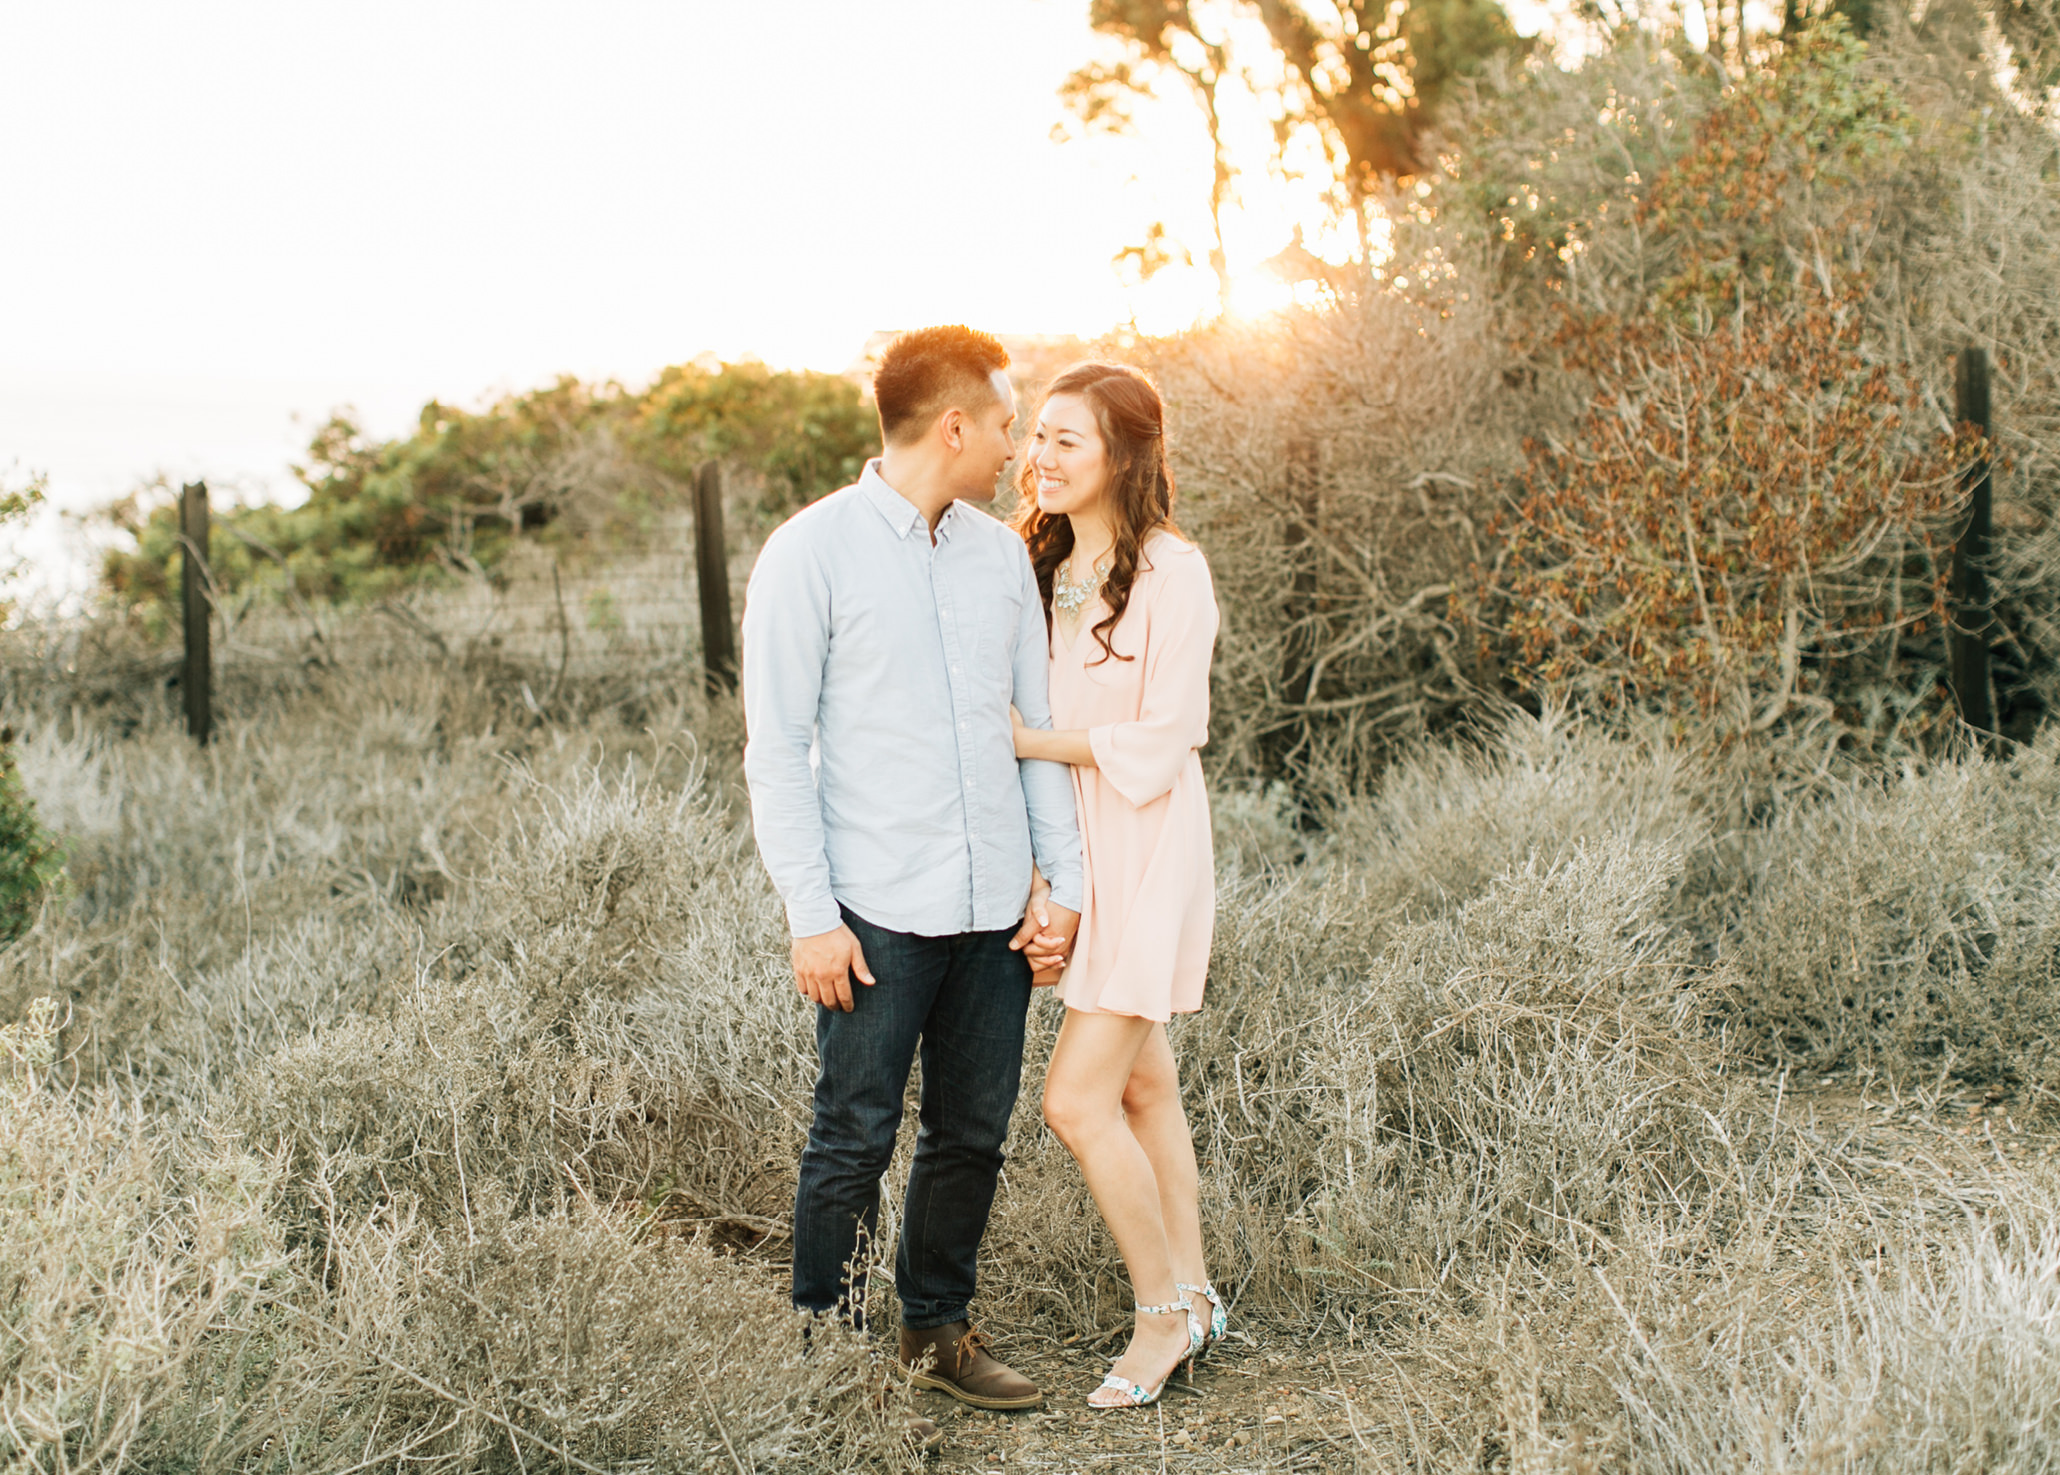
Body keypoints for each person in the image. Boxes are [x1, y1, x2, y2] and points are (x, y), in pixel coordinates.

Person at [741, 325, 1083, 1436]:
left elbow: (1029, 727)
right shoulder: (810, 552)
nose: (1010, 446)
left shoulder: (996, 557)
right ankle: (825, 1358)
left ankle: (935, 1330)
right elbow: (774, 746)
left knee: (972, 1132)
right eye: (1000, 423)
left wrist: (1056, 888)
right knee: (852, 1133)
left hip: (993, 913)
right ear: (951, 426)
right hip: (873, 914)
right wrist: (810, 916)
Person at [1007, 362, 1225, 1411]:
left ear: (1121, 456)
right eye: (1035, 436)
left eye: (1066, 440)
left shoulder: (1172, 571)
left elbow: (1171, 729)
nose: (1039, 457)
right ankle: (1196, 1291)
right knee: (1143, 1085)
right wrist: (1046, 871)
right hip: (1081, 846)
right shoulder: (1033, 566)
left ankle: (1159, 1316)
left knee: (1074, 1098)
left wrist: (1037, 739)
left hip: (1149, 845)